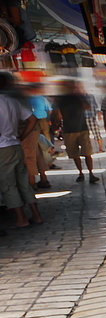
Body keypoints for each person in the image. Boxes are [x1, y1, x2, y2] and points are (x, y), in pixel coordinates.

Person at [0, 72, 43, 229]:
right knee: (24, 182)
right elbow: (32, 119)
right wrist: (22, 136)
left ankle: (21, 218)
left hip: (2, 149)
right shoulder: (12, 101)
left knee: (9, 185)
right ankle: (36, 215)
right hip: (15, 145)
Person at [51, 79, 99, 183]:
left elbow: (87, 107)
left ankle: (90, 173)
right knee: (75, 154)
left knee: (87, 152)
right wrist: (56, 125)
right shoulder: (61, 99)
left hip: (81, 129)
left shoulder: (77, 97)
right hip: (70, 130)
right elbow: (57, 114)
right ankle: (81, 173)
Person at [22, 83, 50, 189]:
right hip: (35, 127)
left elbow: (31, 119)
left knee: (29, 156)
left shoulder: (22, 99)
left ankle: (32, 183)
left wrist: (23, 135)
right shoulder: (37, 98)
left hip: (28, 129)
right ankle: (43, 179)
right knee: (37, 153)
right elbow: (49, 110)